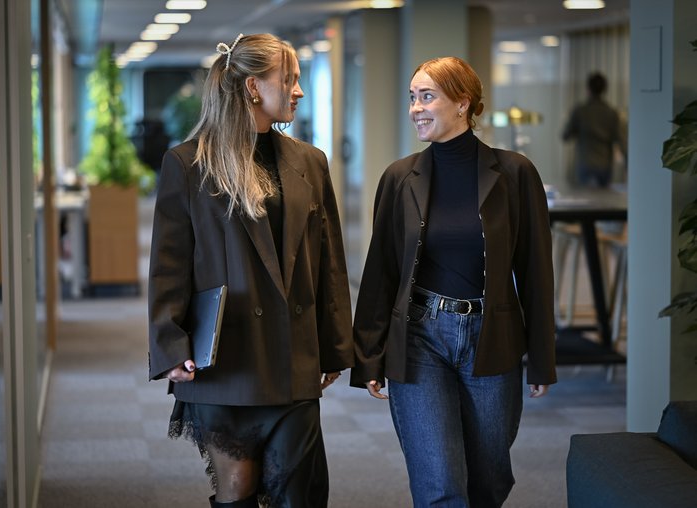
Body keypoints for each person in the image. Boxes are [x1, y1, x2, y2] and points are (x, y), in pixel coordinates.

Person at [148, 33, 353, 508]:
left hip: (292, 355)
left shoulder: (310, 162)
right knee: (238, 489)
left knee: (299, 492)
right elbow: (168, 265)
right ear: (253, 87)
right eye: (289, 79)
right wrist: (169, 344)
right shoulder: (190, 163)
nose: (299, 90)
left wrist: (335, 346)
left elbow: (330, 264)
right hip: (227, 360)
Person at [350, 56, 557, 507]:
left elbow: (536, 272)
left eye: (427, 97)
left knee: (488, 481)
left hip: (492, 337)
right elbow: (381, 271)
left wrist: (542, 357)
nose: (415, 108)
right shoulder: (400, 178)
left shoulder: (515, 173)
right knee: (440, 483)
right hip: (420, 337)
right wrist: (368, 356)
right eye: (412, 97)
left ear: (463, 103)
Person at [562, 71, 626, 188]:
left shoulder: (580, 111)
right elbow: (620, 140)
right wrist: (628, 163)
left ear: (588, 89)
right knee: (604, 197)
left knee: (585, 196)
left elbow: (565, 136)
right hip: (604, 165)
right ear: (605, 89)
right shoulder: (612, 113)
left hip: (585, 163)